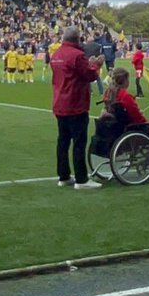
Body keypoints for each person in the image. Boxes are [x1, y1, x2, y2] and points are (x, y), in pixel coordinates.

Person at [50, 26, 104, 190]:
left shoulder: (56, 54)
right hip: (75, 103)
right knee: (79, 142)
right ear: (78, 39)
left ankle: (63, 176)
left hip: (59, 102)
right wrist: (96, 65)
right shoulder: (77, 55)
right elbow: (89, 76)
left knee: (63, 141)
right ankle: (81, 179)